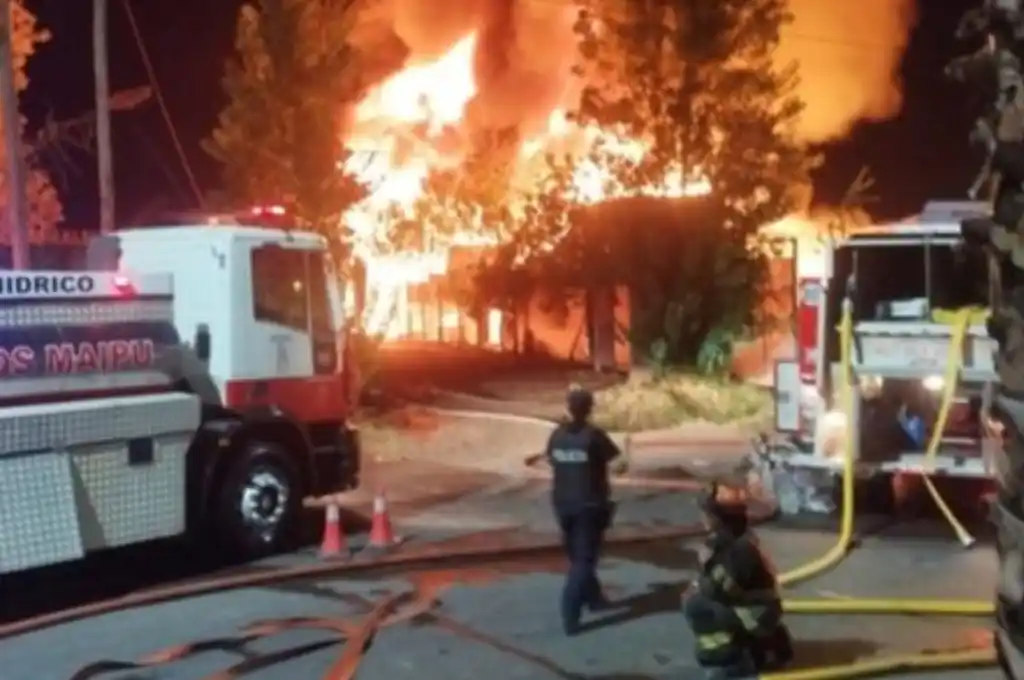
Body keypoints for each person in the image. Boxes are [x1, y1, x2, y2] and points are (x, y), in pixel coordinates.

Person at [683, 482, 793, 678]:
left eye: (706, 513)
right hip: (758, 607)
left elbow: (720, 589)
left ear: (716, 517)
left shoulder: (738, 549)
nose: (703, 518)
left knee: (695, 605)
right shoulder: (734, 539)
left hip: (757, 611)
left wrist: (698, 585)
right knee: (704, 600)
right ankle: (769, 642)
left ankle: (731, 661)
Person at [546, 384, 622, 635]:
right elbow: (617, 460)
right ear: (589, 408)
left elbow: (551, 459)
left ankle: (594, 599)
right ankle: (570, 613)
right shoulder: (594, 436)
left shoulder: (556, 435)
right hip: (589, 506)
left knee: (577, 555)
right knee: (584, 560)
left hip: (562, 505)